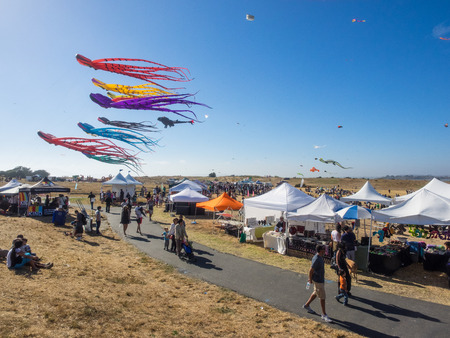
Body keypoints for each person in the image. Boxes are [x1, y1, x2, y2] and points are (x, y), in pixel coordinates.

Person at [302, 244, 332, 323]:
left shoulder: (319, 257)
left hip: (319, 279)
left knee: (315, 293)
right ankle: (324, 314)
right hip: (318, 281)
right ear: (320, 250)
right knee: (322, 297)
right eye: (323, 249)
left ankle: (307, 305)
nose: (325, 250)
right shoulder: (317, 259)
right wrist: (310, 279)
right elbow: (311, 270)